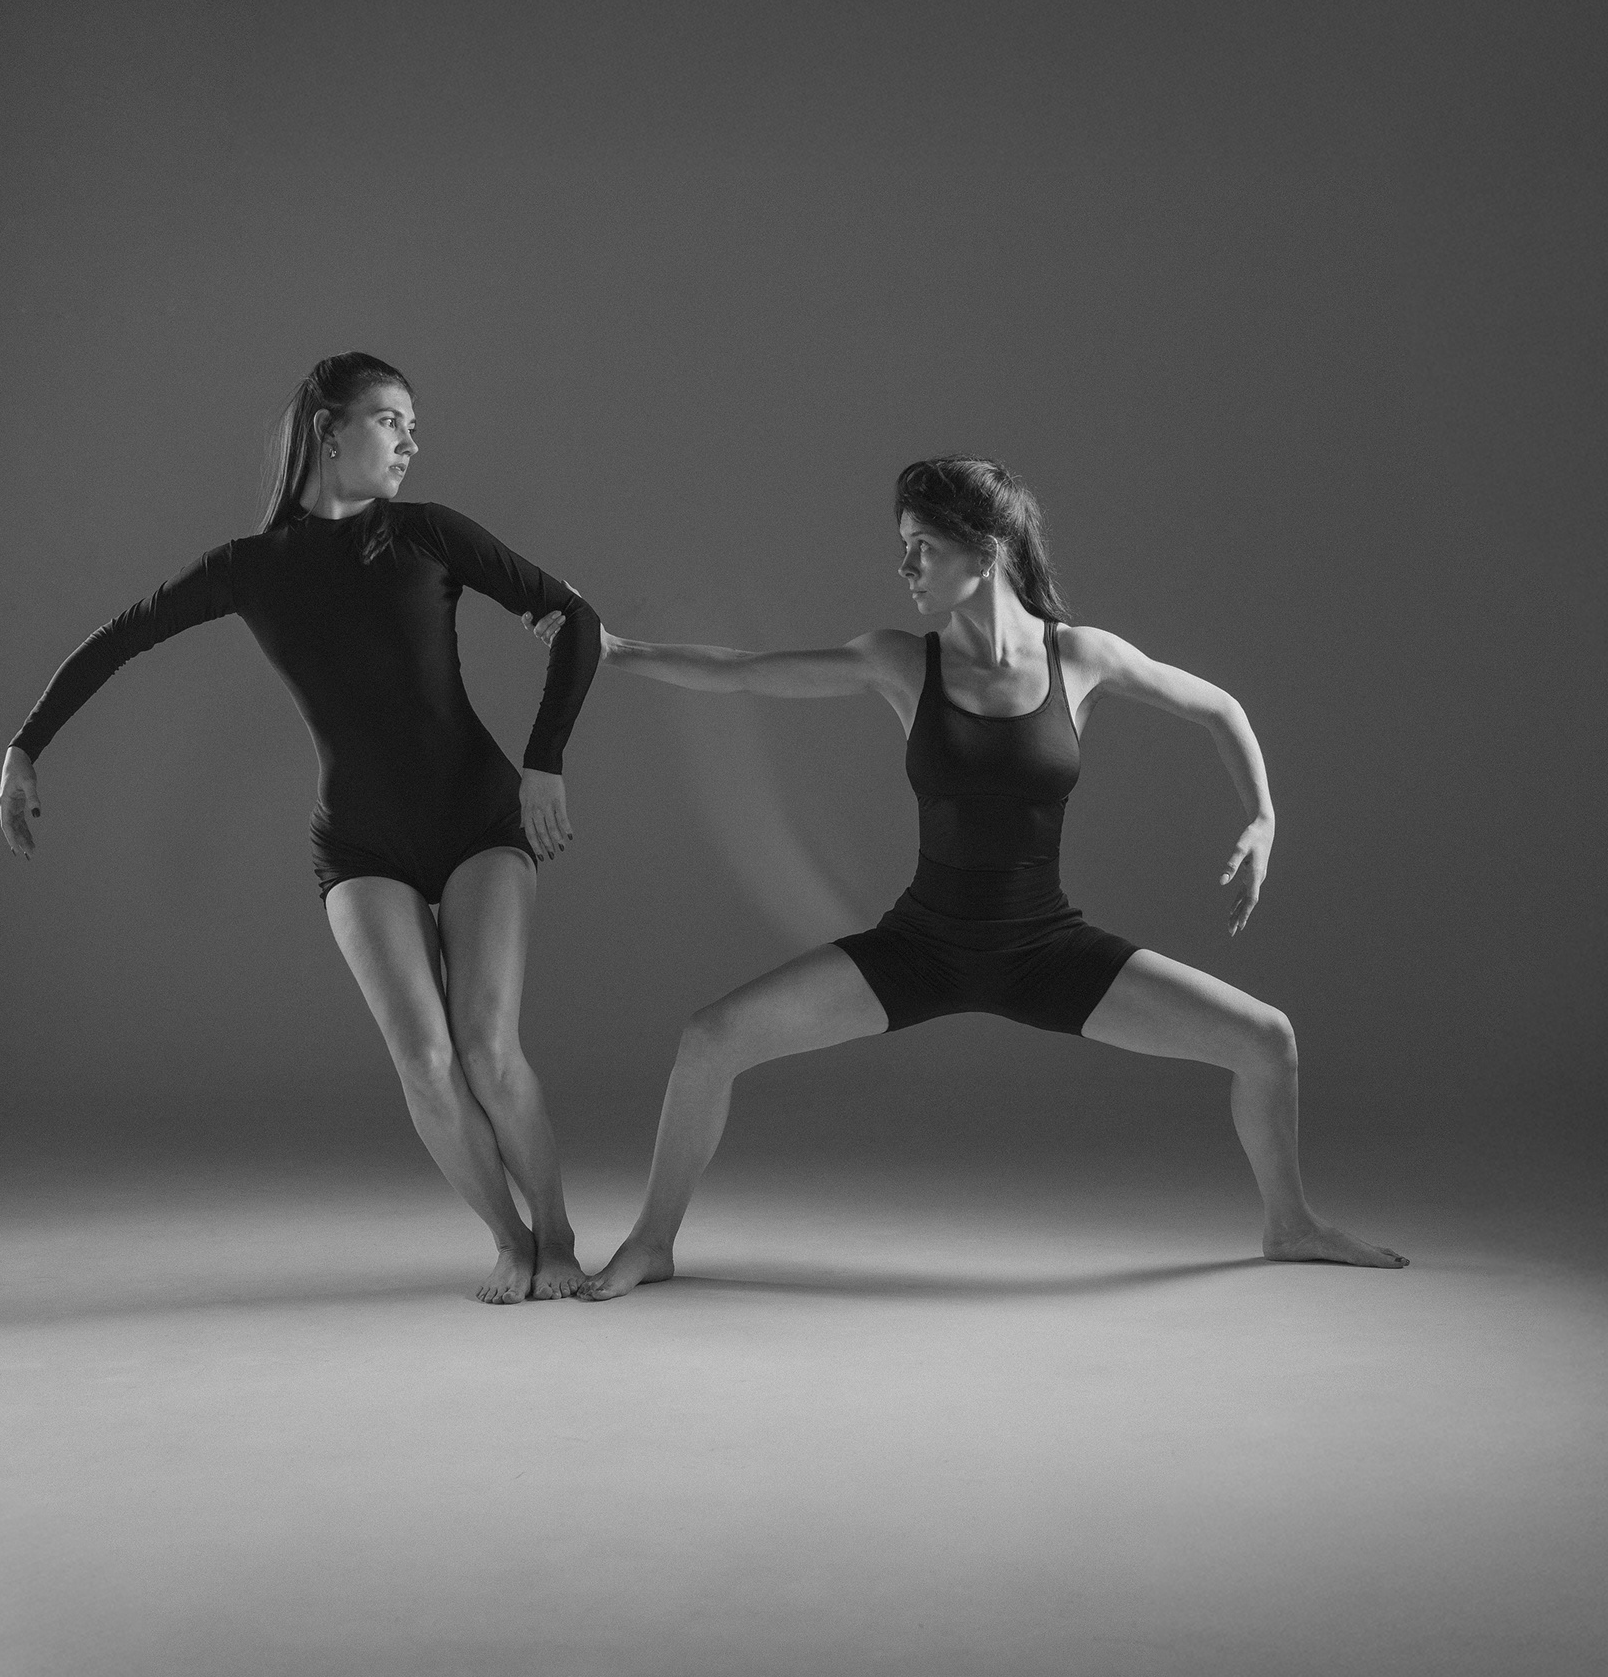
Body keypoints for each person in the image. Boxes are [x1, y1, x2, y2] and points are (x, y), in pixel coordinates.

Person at [528, 455, 1404, 1298]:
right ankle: (653, 1242)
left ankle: (1290, 1224)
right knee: (708, 1039)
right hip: (922, 947)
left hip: (1047, 951)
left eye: (924, 546)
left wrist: (1263, 817)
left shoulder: (1082, 658)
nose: (904, 566)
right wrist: (615, 649)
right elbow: (743, 674)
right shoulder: (900, 662)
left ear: (986, 553)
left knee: (1267, 1041)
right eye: (903, 544)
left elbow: (1220, 707)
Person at [0, 353, 602, 1303]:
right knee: (425, 1061)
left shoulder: (429, 533)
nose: (410, 442)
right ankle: (510, 1239)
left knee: (487, 1050)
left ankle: (559, 1236)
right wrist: (25, 747)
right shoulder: (250, 570)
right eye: (391, 421)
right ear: (330, 430)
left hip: (478, 815)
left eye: (413, 426)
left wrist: (545, 762)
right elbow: (122, 637)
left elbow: (575, 619)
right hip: (359, 841)